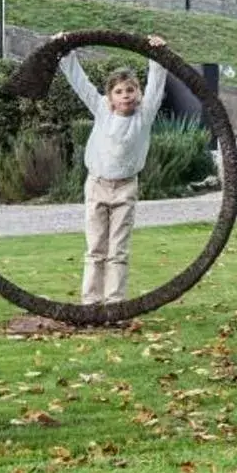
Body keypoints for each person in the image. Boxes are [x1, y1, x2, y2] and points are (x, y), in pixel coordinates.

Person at [62, 39, 169, 306]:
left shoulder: (144, 116)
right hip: (97, 184)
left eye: (130, 90)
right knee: (96, 247)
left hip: (126, 187)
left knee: (118, 249)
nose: (125, 95)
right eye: (119, 91)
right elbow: (81, 84)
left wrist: (156, 54)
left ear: (138, 93)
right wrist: (64, 52)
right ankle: (91, 302)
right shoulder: (102, 111)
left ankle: (114, 303)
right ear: (110, 97)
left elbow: (157, 85)